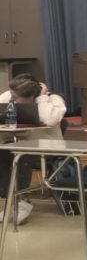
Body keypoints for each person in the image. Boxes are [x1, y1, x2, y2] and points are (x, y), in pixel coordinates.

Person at [0, 74, 67, 225]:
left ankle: (22, 201)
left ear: (31, 97)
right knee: (3, 152)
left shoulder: (53, 100)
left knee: (20, 155)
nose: (12, 99)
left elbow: (49, 120)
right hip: (14, 144)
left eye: (16, 98)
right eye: (12, 95)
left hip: (47, 149)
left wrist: (42, 98)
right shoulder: (9, 96)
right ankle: (10, 200)